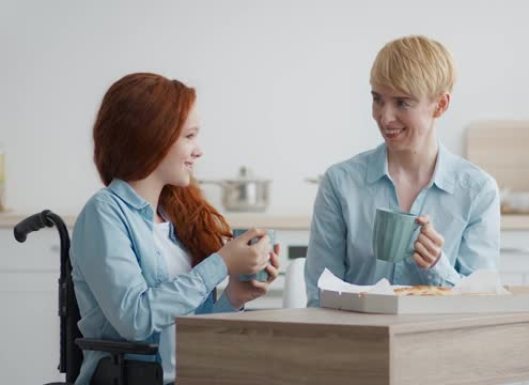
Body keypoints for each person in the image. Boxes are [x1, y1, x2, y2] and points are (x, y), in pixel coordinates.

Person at [70, 72, 280, 384]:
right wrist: (221, 263)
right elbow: (136, 320)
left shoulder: (177, 218)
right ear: (151, 136)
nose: (199, 151)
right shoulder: (104, 214)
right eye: (189, 136)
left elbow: (193, 340)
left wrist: (234, 298)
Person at [304, 35, 500, 307]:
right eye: (378, 99)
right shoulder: (340, 183)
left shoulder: (477, 190)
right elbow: (319, 296)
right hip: (357, 342)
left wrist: (436, 266)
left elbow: (483, 304)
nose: (385, 117)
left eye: (402, 103)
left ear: (441, 105)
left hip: (441, 344)